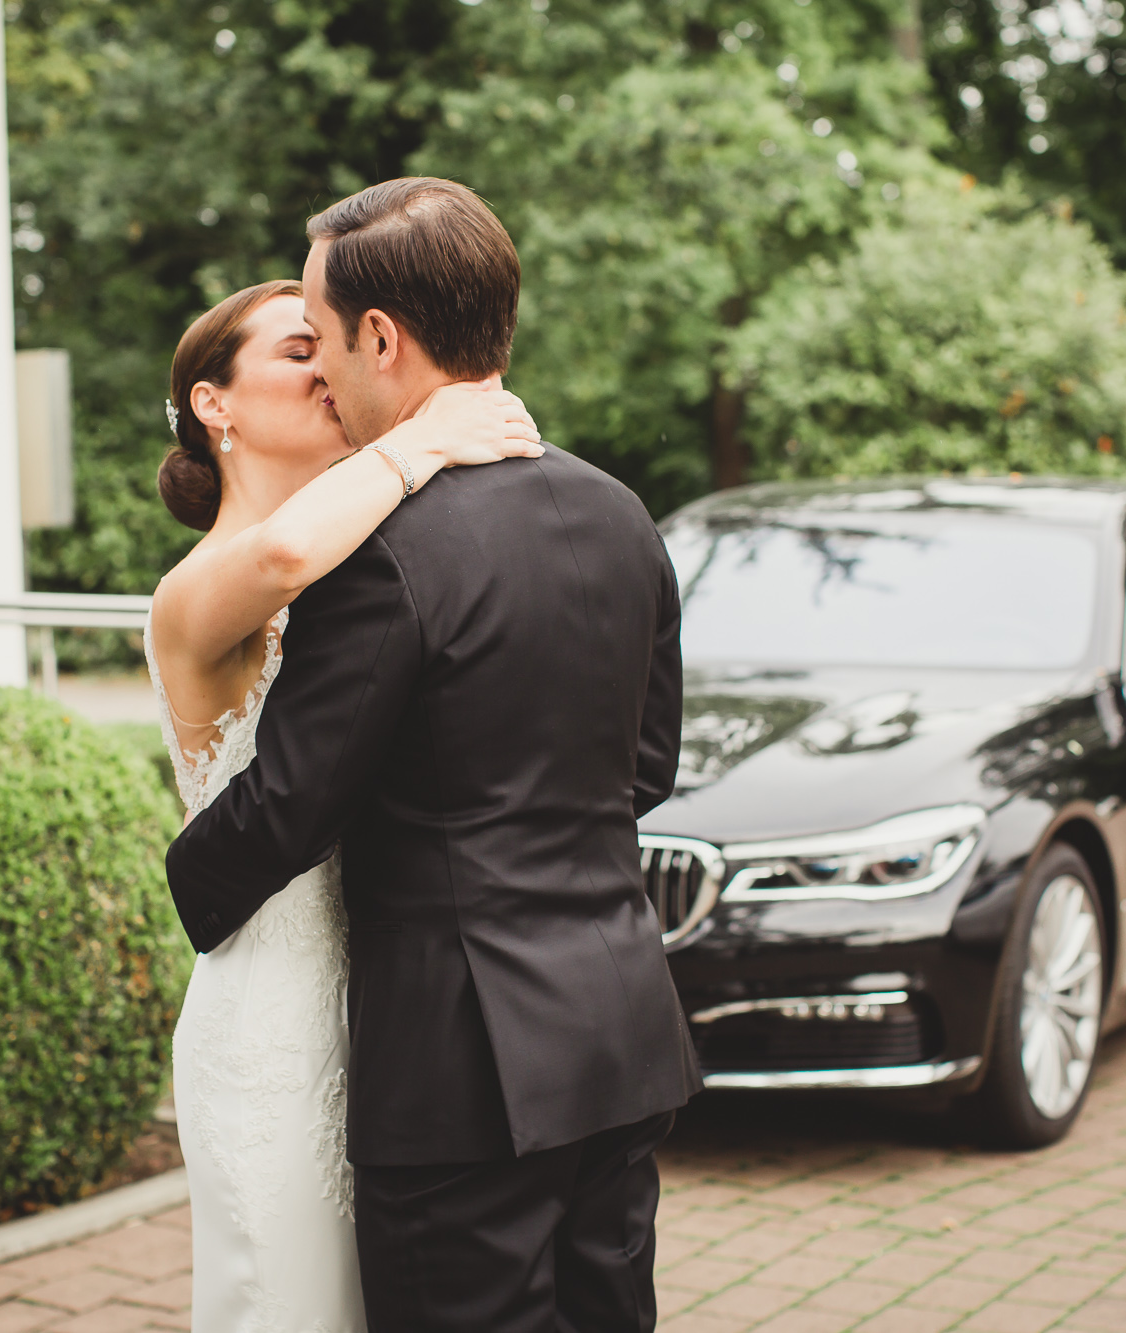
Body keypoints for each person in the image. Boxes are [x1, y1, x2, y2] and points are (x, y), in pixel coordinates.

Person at [166, 178, 702, 1332]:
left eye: (322, 337)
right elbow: (645, 767)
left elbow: (293, 802)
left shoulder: (379, 553)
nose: (320, 371)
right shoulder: (620, 513)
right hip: (616, 1031)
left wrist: (189, 879)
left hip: (461, 1073)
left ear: (379, 338)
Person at [143, 276, 543, 1332]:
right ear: (213, 404)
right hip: (269, 1022)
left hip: (394, 1014)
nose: (324, 366)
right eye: (293, 350)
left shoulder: (365, 570)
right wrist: (427, 435)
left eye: (324, 343)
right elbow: (279, 553)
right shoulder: (194, 591)